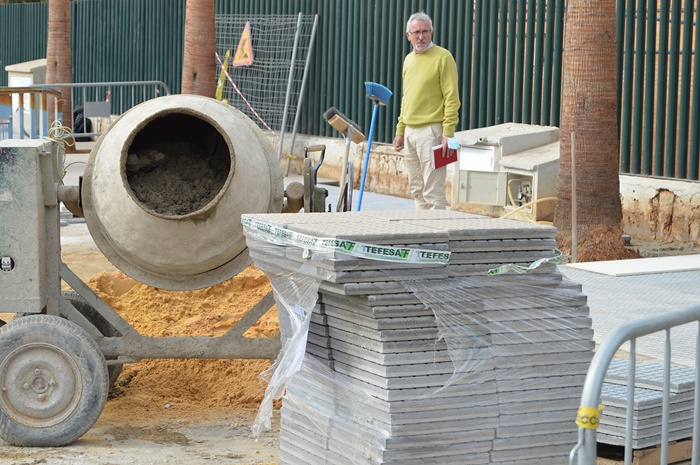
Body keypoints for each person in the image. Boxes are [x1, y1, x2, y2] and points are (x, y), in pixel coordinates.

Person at [393, 11, 460, 210]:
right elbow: (407, 98)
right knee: (416, 190)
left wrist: (448, 133)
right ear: (408, 35)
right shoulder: (408, 60)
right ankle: (422, 235)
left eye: (425, 31)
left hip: (432, 132)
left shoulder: (443, 57)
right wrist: (400, 130)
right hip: (410, 133)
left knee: (433, 192)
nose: (420, 36)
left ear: (432, 32)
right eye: (416, 32)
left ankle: (437, 236)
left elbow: (452, 98)